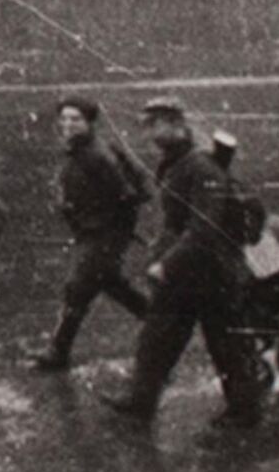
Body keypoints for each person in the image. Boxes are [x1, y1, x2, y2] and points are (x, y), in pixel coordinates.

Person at [103, 97, 260, 427]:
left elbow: (204, 227)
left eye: (156, 124)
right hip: (194, 270)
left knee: (224, 345)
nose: (149, 132)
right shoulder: (178, 162)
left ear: (178, 125)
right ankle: (141, 401)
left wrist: (167, 263)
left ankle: (243, 411)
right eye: (147, 125)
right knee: (159, 337)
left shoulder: (199, 166)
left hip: (209, 271)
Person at [31, 95, 150, 372]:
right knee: (112, 286)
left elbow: (126, 195)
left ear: (89, 122)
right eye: (64, 119)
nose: (68, 124)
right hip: (93, 233)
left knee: (78, 288)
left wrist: (114, 232)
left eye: (75, 119)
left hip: (103, 236)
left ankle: (58, 353)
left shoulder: (96, 155)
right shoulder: (79, 149)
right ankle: (163, 322)